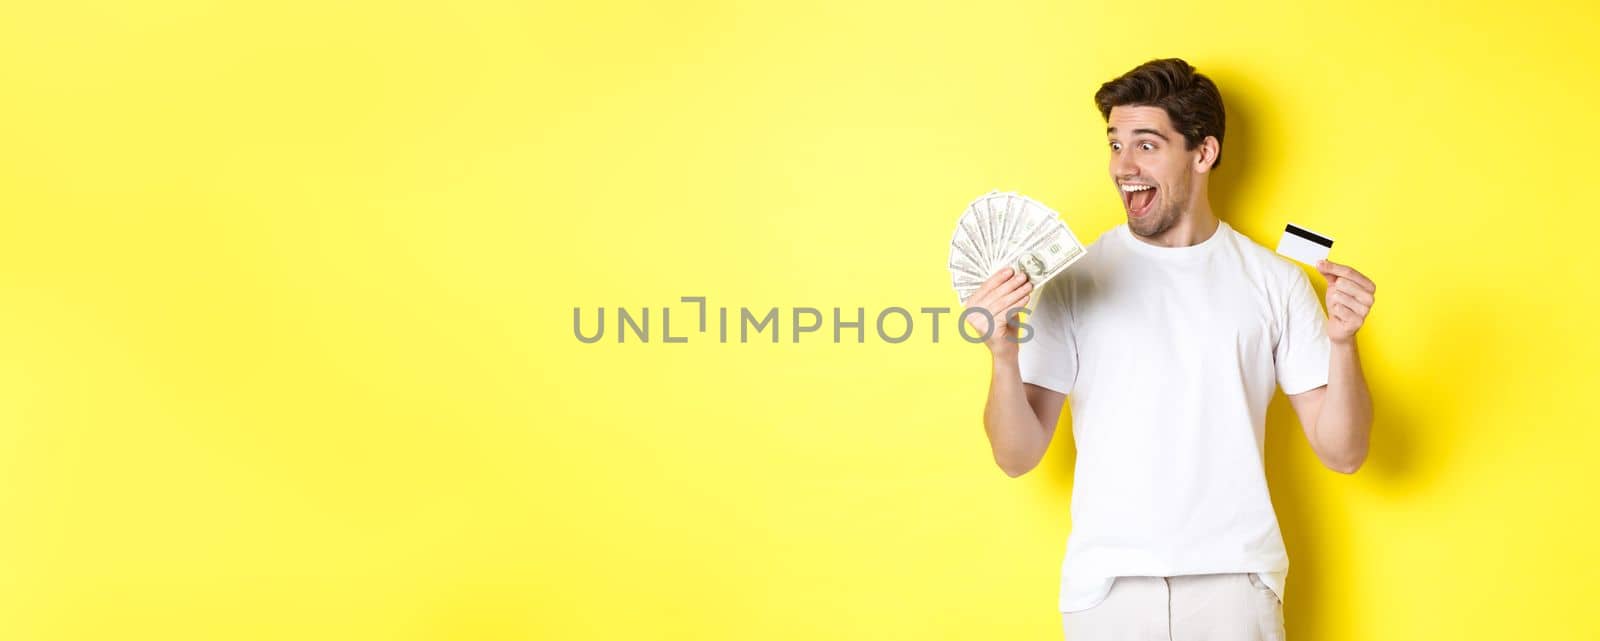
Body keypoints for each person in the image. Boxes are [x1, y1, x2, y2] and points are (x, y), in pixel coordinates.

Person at [962, 58, 1377, 640]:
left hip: (1236, 584)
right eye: (1114, 144)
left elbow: (1345, 452)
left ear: (1202, 153)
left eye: (1146, 145)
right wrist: (1002, 355)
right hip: (1108, 590)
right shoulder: (1072, 281)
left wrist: (1343, 344)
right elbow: (1016, 456)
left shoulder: (1274, 282)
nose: (1123, 166)